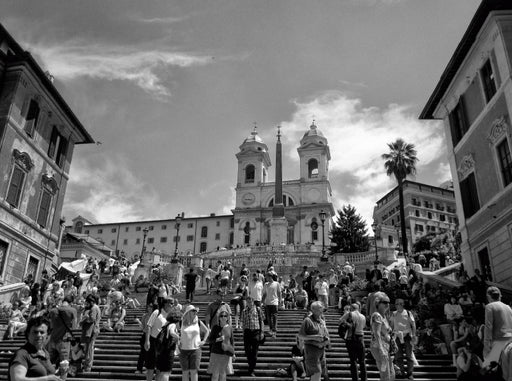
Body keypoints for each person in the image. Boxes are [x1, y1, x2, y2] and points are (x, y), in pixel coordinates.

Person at [8, 316, 62, 381]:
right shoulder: (22, 354)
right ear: (28, 334)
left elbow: (46, 374)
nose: (39, 335)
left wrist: (60, 373)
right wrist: (46, 379)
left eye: (42, 332)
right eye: (35, 332)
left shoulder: (45, 352)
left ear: (47, 335)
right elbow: (16, 379)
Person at [299, 301, 330, 381]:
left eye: (322, 307)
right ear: (313, 309)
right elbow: (301, 336)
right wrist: (315, 337)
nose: (322, 309)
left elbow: (325, 334)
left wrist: (326, 341)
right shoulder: (307, 320)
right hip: (311, 350)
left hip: (321, 350)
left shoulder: (322, 321)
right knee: (316, 373)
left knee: (318, 374)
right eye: (320, 307)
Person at [145, 297, 174, 381]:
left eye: (173, 303)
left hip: (164, 344)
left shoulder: (170, 315)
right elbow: (149, 326)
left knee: (159, 367)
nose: (172, 305)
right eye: (171, 303)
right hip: (153, 341)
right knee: (150, 367)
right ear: (165, 303)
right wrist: (147, 341)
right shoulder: (157, 312)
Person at [482, 286, 512, 367]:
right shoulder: (508, 307)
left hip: (498, 342)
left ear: (488, 296)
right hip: (510, 341)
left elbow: (488, 327)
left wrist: (486, 347)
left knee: (487, 368)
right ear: (500, 295)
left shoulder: (489, 306)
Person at [179, 305, 209, 381]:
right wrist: (177, 340)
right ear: (188, 312)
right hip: (183, 350)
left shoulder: (198, 321)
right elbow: (173, 331)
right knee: (185, 372)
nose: (195, 312)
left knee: (194, 372)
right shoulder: (180, 322)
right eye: (193, 311)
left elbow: (207, 331)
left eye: (196, 311)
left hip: (195, 350)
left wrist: (204, 341)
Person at [369, 291, 394, 381]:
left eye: (388, 302)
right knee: (386, 375)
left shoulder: (384, 316)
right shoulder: (377, 315)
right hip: (380, 346)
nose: (387, 304)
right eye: (384, 302)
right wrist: (381, 349)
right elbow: (377, 333)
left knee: (391, 374)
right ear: (378, 303)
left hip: (387, 347)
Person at [390, 298, 416, 380]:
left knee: (409, 355)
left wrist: (414, 335)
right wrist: (390, 335)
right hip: (397, 336)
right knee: (398, 356)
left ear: (403, 304)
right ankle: (401, 372)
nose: (399, 305)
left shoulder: (408, 313)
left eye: (401, 303)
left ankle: (410, 373)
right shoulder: (393, 314)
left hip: (407, 335)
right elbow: (391, 325)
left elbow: (413, 324)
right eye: (397, 304)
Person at [340, 303, 367, 381]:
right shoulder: (363, 316)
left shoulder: (349, 314)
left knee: (353, 360)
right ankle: (364, 379)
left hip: (351, 338)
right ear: (358, 308)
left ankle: (355, 379)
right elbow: (364, 327)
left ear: (351, 308)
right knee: (362, 361)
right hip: (361, 338)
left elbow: (340, 321)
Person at [48, 296, 77, 366]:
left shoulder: (53, 311)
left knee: (50, 363)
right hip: (64, 339)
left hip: (53, 339)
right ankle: (63, 377)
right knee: (64, 364)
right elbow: (74, 327)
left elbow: (51, 325)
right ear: (71, 303)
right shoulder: (72, 310)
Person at [241, 296, 265, 376]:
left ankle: (251, 370)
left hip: (256, 332)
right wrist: (243, 332)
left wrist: (262, 332)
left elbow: (262, 321)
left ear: (253, 302)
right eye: (248, 302)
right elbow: (243, 323)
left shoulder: (258, 309)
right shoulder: (244, 311)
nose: (249, 303)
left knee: (254, 352)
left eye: (250, 302)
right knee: (247, 351)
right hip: (247, 332)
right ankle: (251, 367)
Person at [207, 312, 234, 381]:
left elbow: (232, 341)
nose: (223, 317)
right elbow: (209, 340)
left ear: (227, 318)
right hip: (216, 352)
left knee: (223, 373)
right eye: (221, 316)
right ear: (219, 318)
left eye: (225, 316)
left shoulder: (230, 328)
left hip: (226, 353)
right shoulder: (215, 327)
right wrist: (217, 339)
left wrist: (233, 353)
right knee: (215, 373)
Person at [155, 310, 181, 381]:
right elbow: (172, 332)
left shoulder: (166, 325)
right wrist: (178, 337)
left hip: (162, 351)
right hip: (168, 351)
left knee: (160, 372)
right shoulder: (173, 325)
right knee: (166, 373)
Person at [80, 294, 101, 373]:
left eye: (88, 302)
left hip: (91, 331)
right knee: (89, 348)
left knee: (89, 349)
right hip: (92, 330)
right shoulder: (95, 307)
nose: (87, 304)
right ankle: (87, 366)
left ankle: (87, 367)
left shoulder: (94, 308)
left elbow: (92, 319)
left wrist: (84, 318)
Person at [263, 273, 282, 338]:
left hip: (275, 302)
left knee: (274, 317)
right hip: (268, 303)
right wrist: (263, 301)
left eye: (267, 277)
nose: (266, 278)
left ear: (270, 277)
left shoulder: (277, 283)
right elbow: (264, 294)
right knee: (268, 317)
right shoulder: (266, 284)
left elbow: (279, 292)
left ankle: (274, 331)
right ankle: (270, 329)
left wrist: (280, 301)